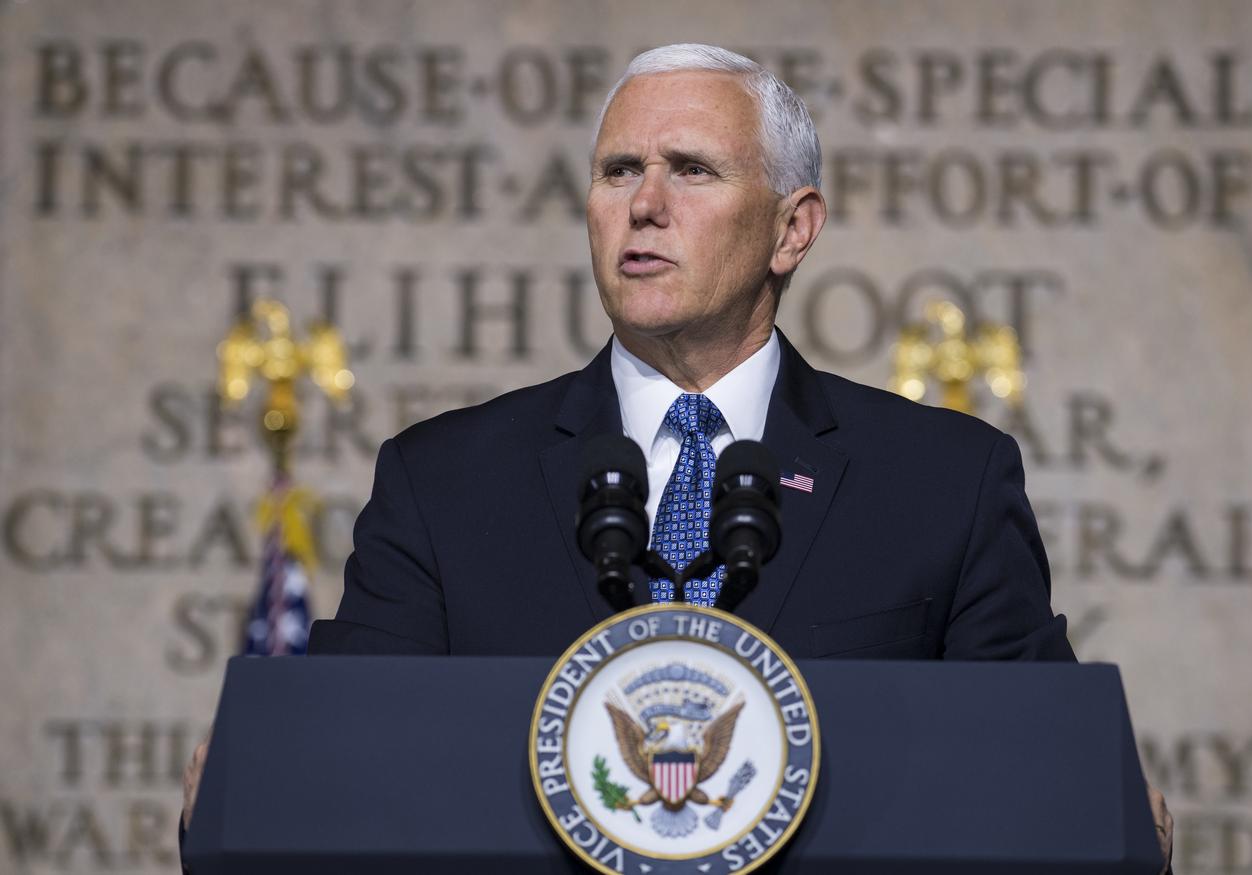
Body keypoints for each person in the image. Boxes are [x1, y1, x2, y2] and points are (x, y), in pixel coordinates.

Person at [182, 43, 1173, 869]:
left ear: (793, 228)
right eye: (618, 171)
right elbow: (347, 777)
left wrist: (1109, 816)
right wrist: (249, 791)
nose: (643, 204)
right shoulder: (443, 480)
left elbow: (1039, 783)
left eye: (690, 170)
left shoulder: (943, 480)